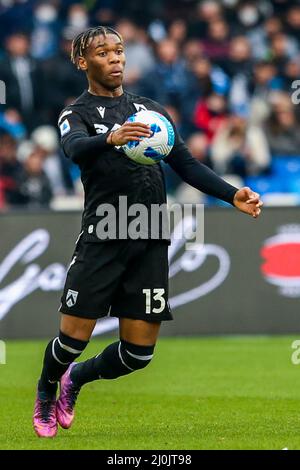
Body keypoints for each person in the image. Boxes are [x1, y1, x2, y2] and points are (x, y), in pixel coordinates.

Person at [33, 26, 263, 438]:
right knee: (71, 340)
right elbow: (75, 149)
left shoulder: (149, 109)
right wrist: (111, 138)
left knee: (138, 354)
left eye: (119, 51)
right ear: (83, 62)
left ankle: (76, 380)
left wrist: (232, 195)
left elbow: (186, 164)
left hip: (151, 233)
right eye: (104, 53)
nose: (116, 59)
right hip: (104, 232)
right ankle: (48, 387)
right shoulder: (76, 114)